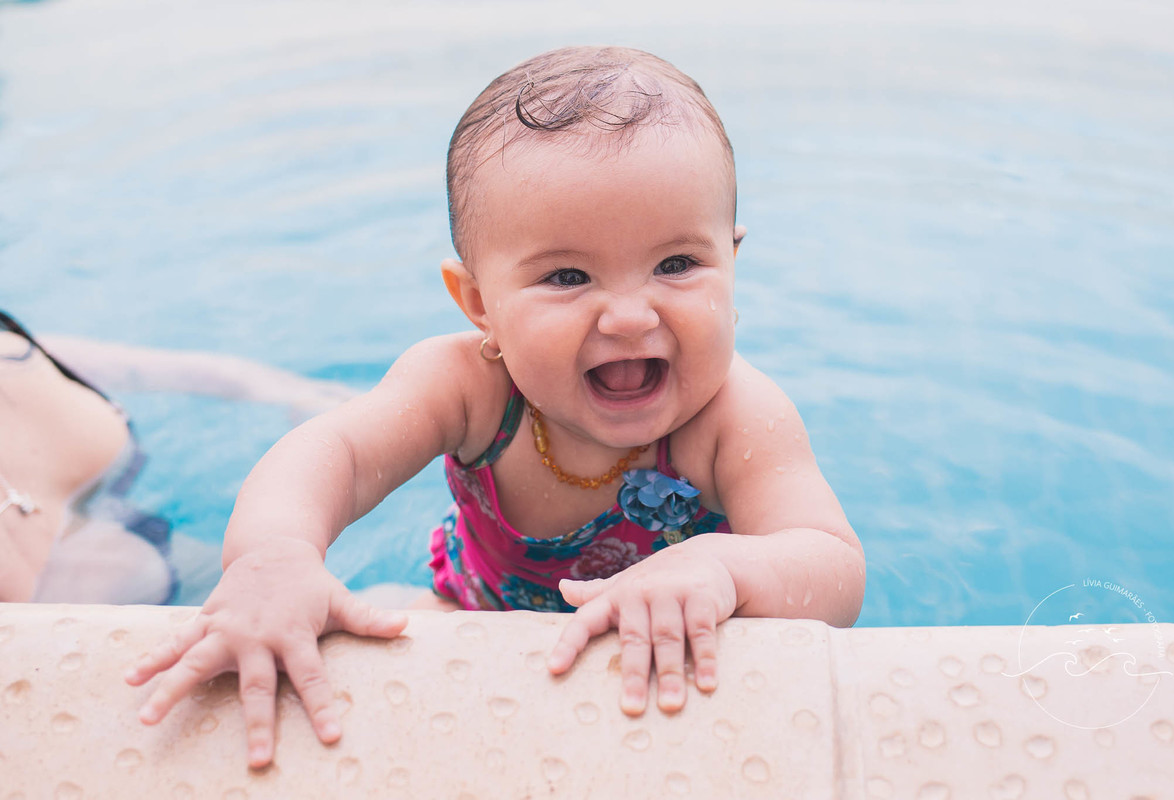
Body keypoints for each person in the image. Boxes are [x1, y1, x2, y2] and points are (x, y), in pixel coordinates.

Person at [126, 46, 866, 768]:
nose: (630, 316)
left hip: (675, 646)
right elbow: (336, 453)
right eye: (568, 276)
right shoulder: (468, 386)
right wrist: (274, 557)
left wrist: (722, 568)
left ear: (732, 262)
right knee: (367, 630)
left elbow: (833, 569)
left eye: (677, 264)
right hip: (476, 618)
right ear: (479, 304)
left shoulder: (737, 415)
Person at [0, 309, 357, 604]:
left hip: (178, 567)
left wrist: (300, 396)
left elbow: (221, 375)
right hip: (80, 643)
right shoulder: (20, 351)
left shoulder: (23, 348)